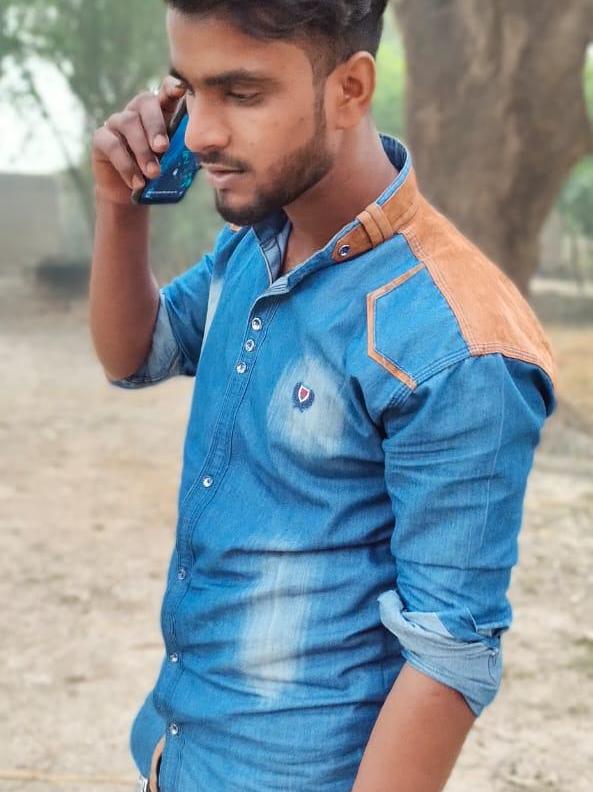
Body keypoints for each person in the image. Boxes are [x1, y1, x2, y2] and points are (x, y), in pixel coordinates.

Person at [89, 2, 558, 791]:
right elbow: (135, 352)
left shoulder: (456, 340)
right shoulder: (253, 244)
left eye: (240, 93)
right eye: (189, 90)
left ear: (349, 89)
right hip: (180, 751)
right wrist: (119, 206)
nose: (199, 133)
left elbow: (448, 657)